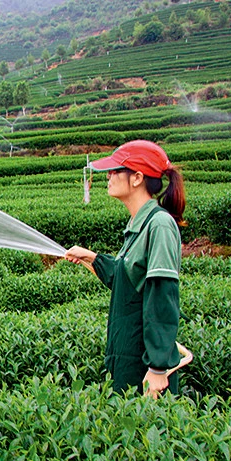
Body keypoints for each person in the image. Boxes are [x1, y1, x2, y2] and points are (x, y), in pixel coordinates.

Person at [65, 140, 186, 398]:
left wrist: (157, 367)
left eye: (115, 170)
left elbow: (162, 297)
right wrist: (93, 258)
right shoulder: (136, 225)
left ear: (137, 178)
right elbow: (128, 279)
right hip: (126, 358)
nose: (108, 177)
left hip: (144, 367)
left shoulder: (159, 225)